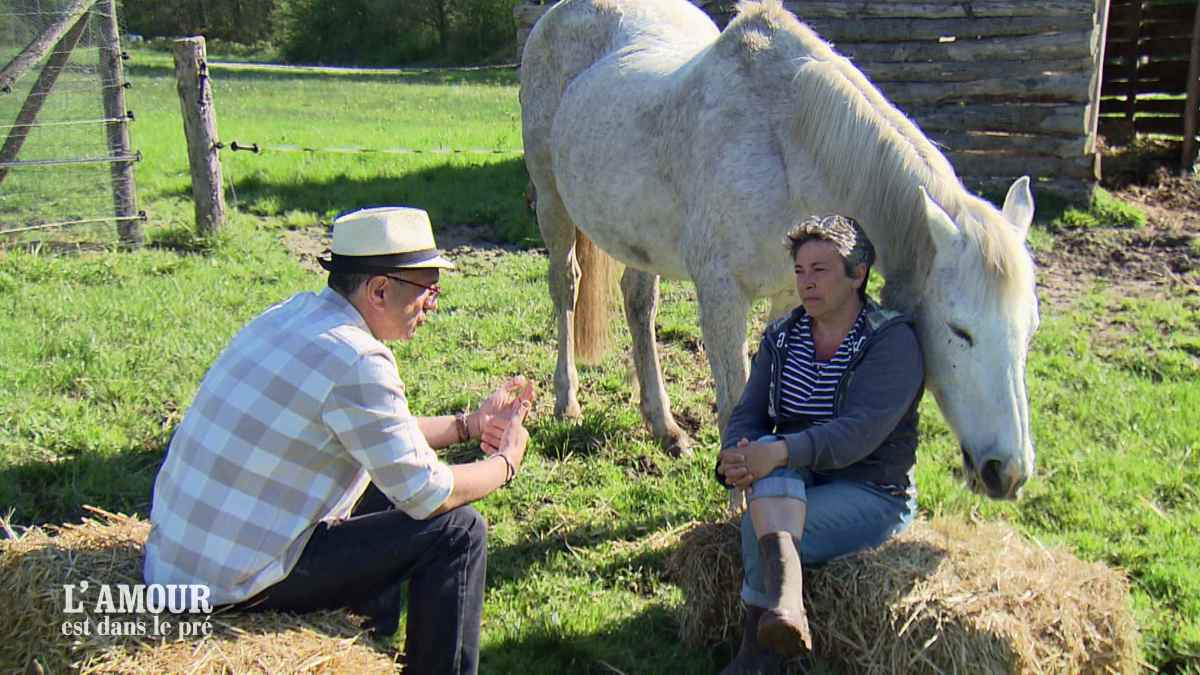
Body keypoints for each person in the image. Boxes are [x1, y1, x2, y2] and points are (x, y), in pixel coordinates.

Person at [144, 206, 536, 675]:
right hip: (230, 585)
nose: (433, 304)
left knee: (381, 474)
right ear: (379, 289)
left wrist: (469, 425)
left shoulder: (293, 315)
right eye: (429, 289)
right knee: (458, 531)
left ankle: (366, 633)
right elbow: (429, 495)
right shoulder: (358, 360)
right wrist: (506, 461)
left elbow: (379, 435)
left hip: (179, 565)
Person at [715, 214, 924, 673]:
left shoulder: (891, 342)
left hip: (869, 489)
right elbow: (748, 411)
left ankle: (759, 649)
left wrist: (781, 452)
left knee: (759, 523)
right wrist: (739, 454)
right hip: (797, 481)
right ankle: (784, 618)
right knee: (771, 487)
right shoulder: (783, 338)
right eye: (800, 271)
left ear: (858, 274)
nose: (806, 283)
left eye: (821, 270)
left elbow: (857, 435)